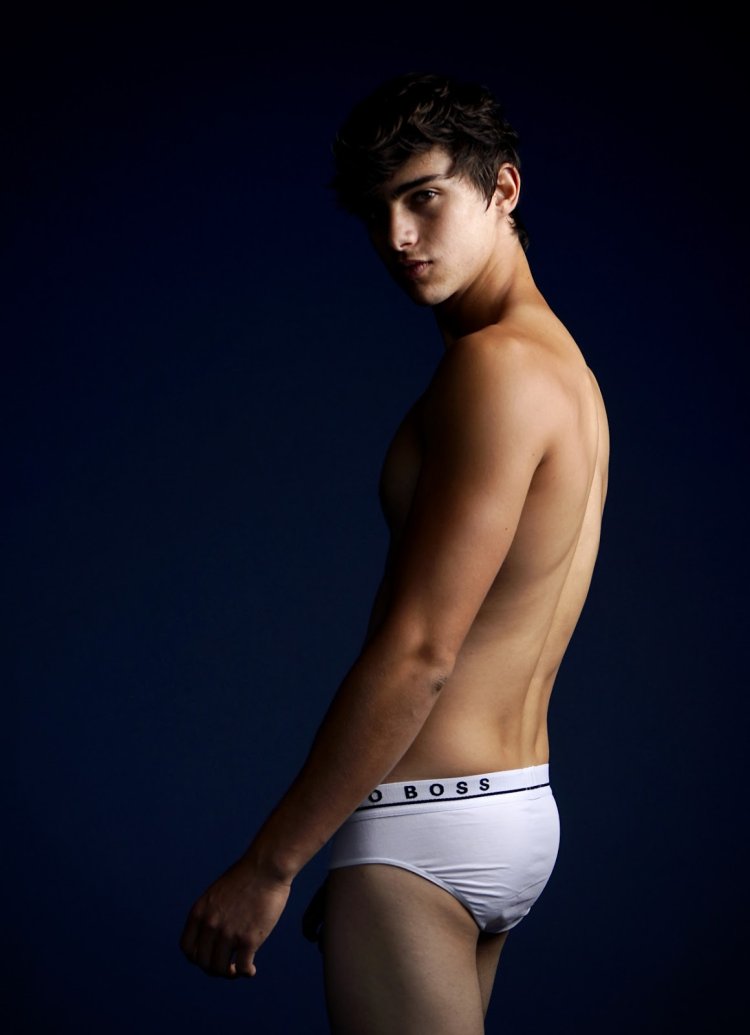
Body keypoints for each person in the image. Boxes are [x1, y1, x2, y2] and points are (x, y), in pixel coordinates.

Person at [180, 71, 609, 1034]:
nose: (399, 238)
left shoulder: (492, 368)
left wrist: (273, 863)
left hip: (424, 821)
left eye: (424, 198)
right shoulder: (566, 370)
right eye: (378, 213)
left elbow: (422, 651)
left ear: (503, 188)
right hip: (517, 807)